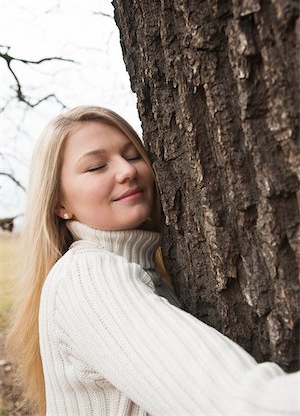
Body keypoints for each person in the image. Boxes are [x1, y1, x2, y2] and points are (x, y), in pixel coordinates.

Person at [6, 106, 299, 416]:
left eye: (133, 155)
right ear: (59, 203)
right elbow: (237, 403)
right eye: (96, 166)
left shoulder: (148, 271)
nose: (127, 171)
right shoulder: (87, 278)